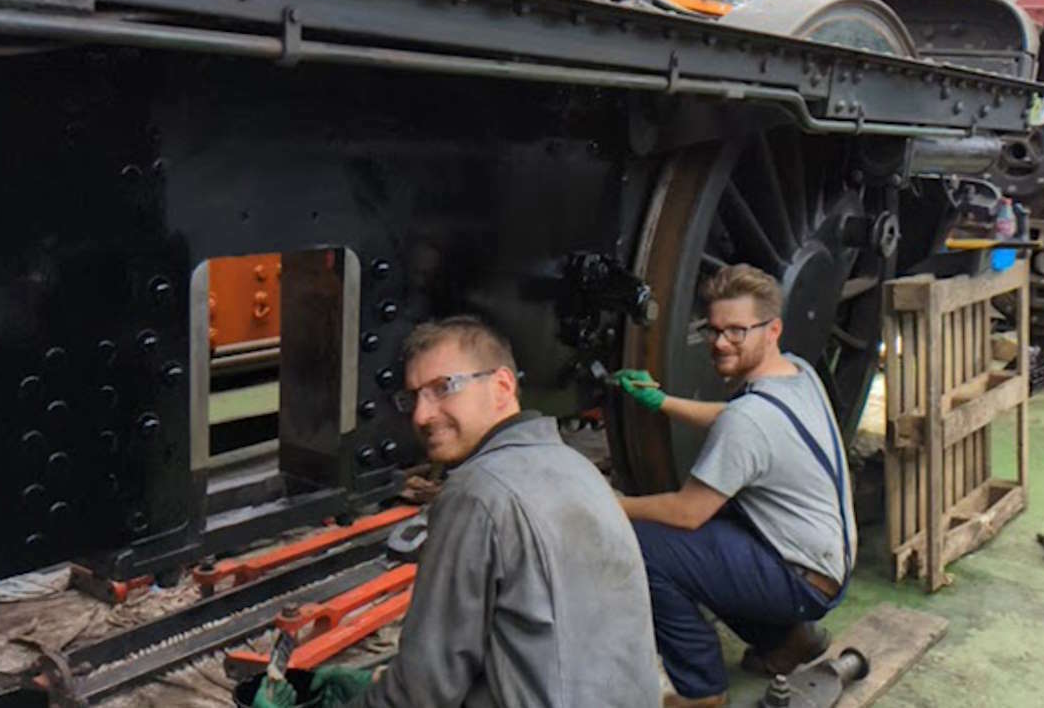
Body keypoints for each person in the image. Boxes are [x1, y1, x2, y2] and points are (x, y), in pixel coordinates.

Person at [260, 314, 661, 708]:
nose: (421, 415)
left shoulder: (478, 493)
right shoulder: (575, 467)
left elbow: (423, 693)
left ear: (502, 386)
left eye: (442, 388)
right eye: (413, 397)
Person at [616, 264, 856, 708]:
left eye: (737, 331)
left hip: (798, 579)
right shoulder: (797, 372)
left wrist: (615, 504)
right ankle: (787, 643)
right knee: (706, 536)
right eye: (714, 329)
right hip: (823, 563)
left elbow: (689, 511)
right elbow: (738, 422)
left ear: (772, 329)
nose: (721, 341)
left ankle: (702, 690)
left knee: (645, 543)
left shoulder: (749, 420)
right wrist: (662, 402)